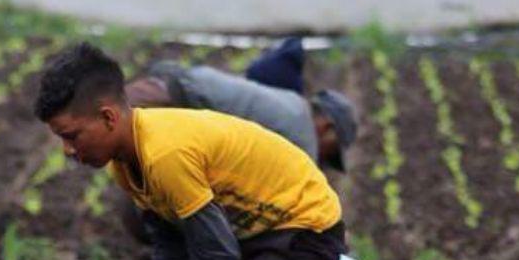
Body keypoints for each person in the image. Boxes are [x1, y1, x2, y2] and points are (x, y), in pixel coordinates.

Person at [34, 43, 358, 260]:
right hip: (254, 230)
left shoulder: (166, 155)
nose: (67, 150)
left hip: (304, 234)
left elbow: (217, 257)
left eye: (71, 136)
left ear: (108, 118)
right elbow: (169, 247)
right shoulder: (125, 163)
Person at [124, 61, 357, 173]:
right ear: (326, 127)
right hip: (171, 102)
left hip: (169, 89)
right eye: (332, 151)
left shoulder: (293, 103)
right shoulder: (303, 141)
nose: (324, 159)